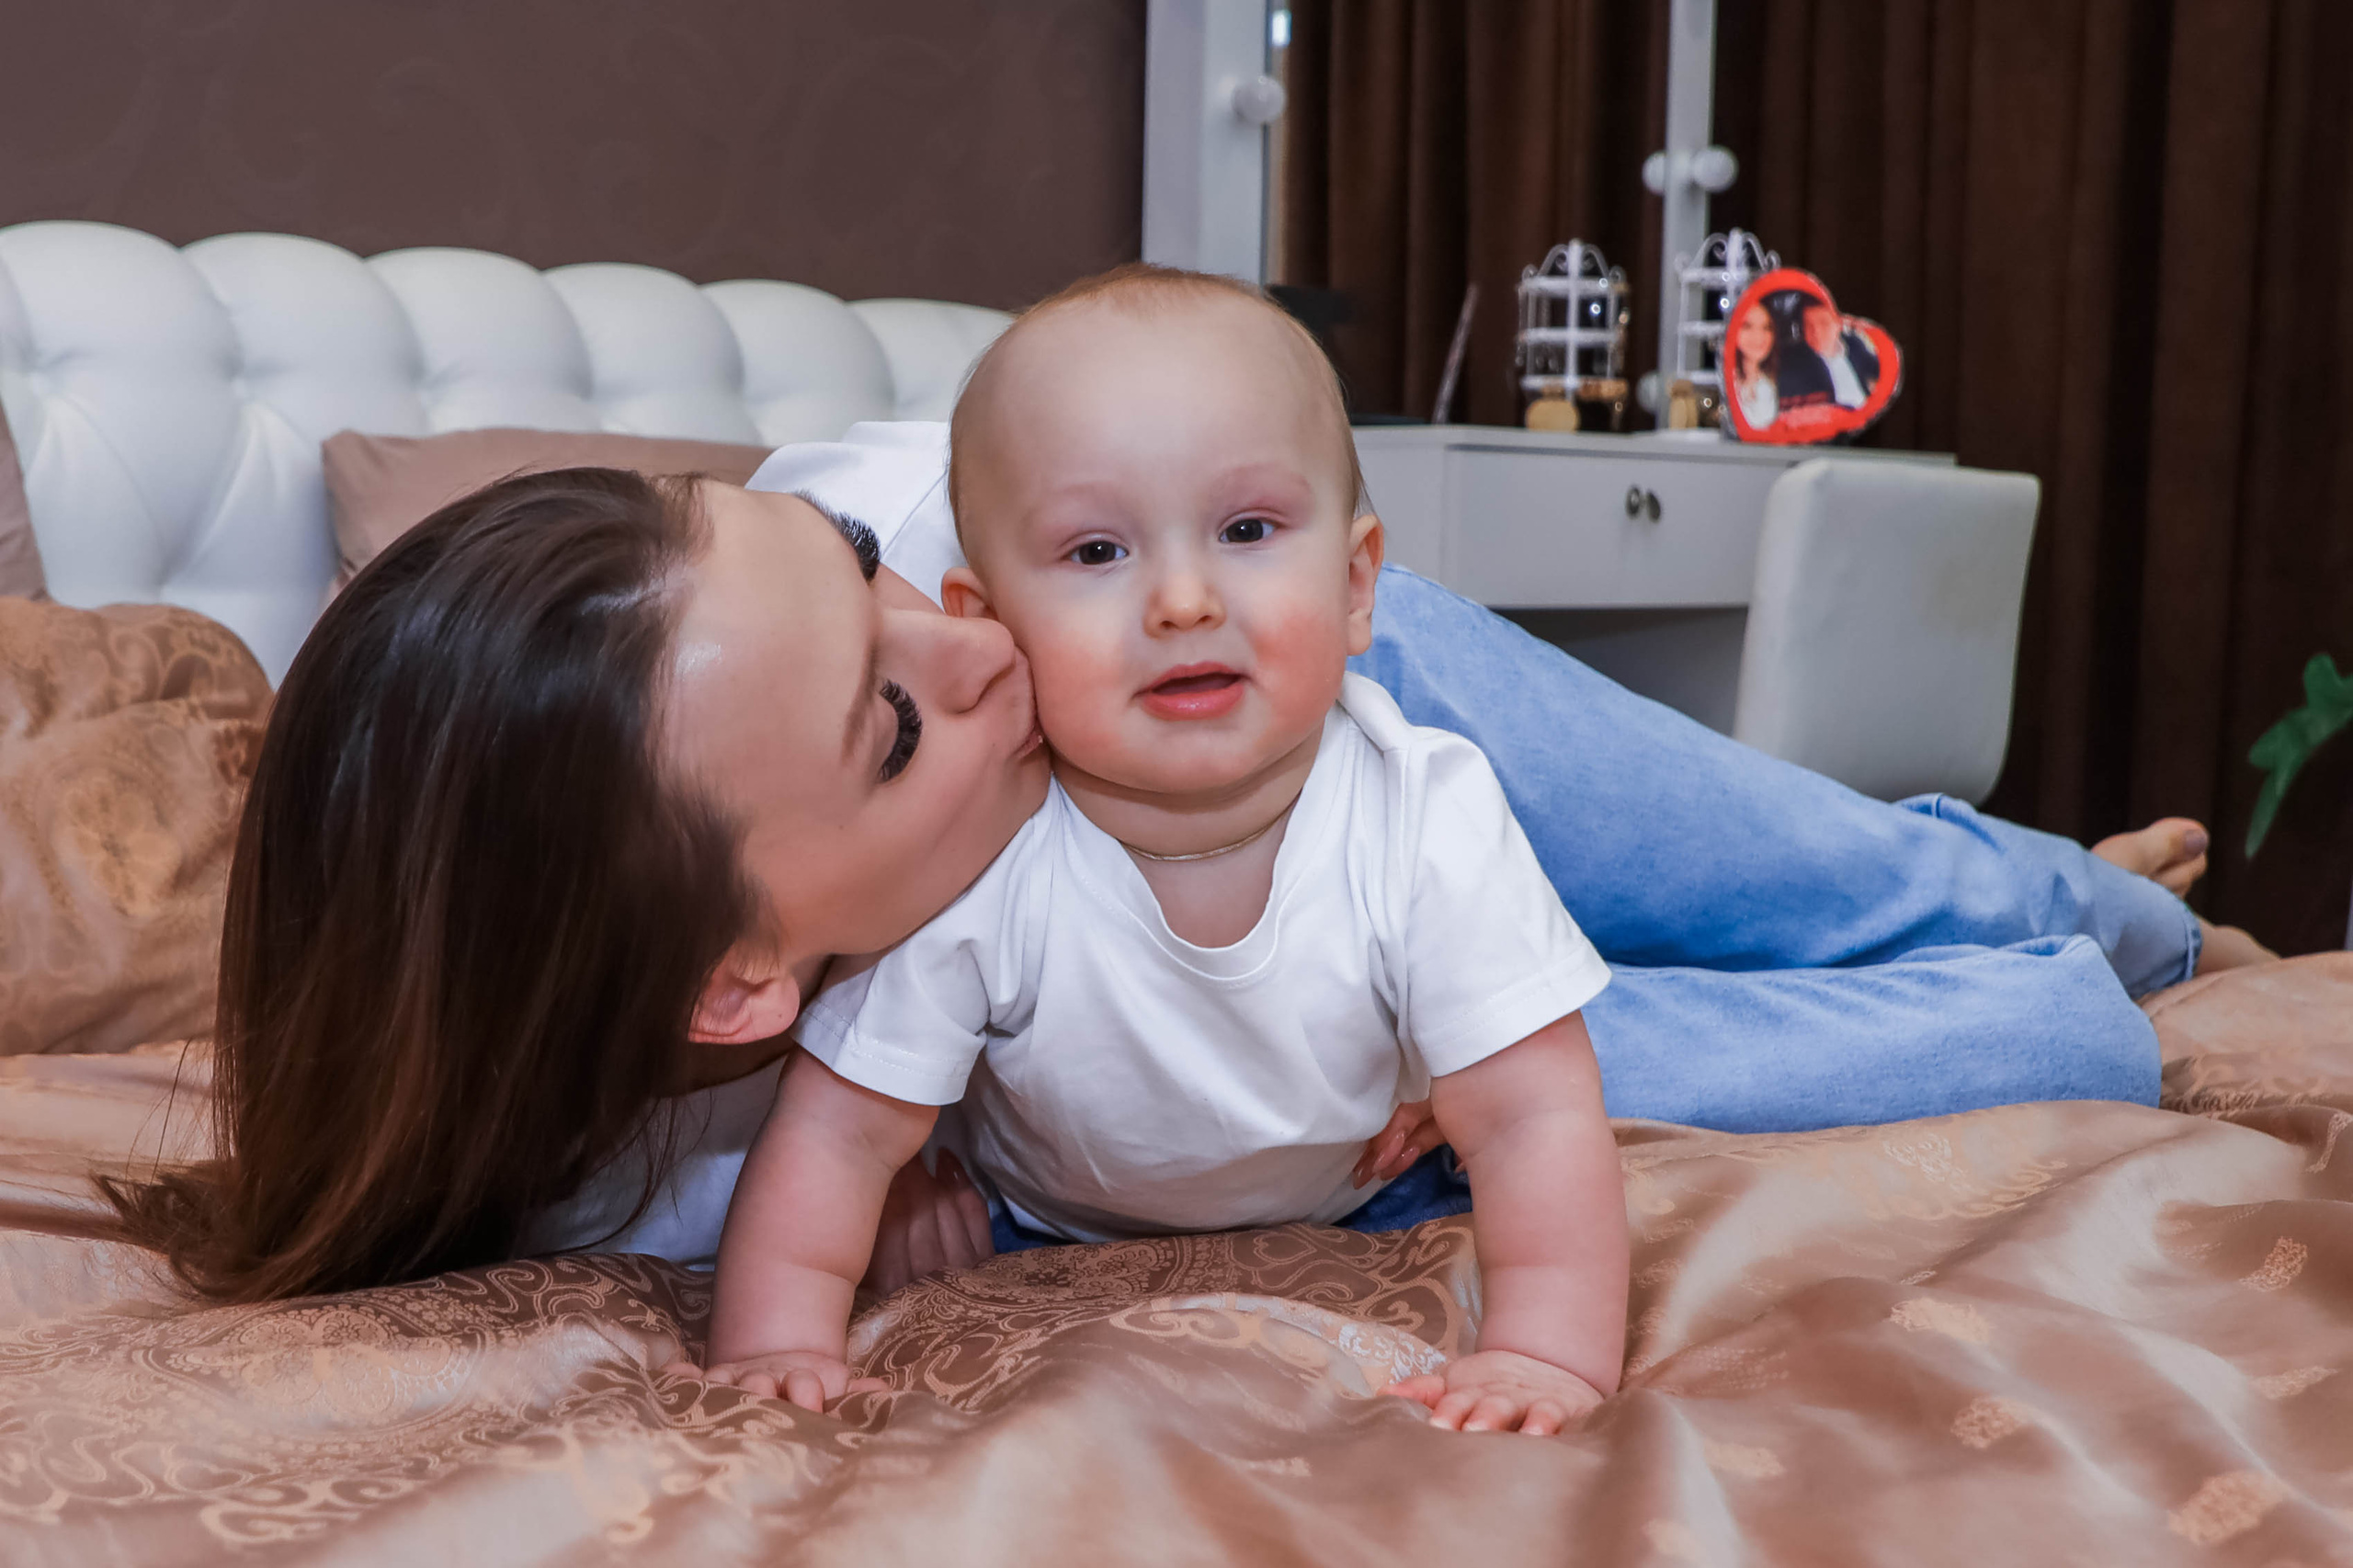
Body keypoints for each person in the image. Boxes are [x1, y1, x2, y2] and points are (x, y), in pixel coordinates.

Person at [102, 288, 2263, 1313]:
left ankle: (2063, 867)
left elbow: (1058, 534)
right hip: (1268, 1050)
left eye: (871, 589)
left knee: (1808, 858)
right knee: (2044, 1033)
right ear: (738, 979)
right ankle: (2071, 945)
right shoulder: (607, 1170)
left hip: (1293, 719)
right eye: (887, 726)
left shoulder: (1007, 610)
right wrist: (917, 1128)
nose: (987, 661)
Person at [691, 267, 1630, 1436]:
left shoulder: (1421, 807)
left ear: (1352, 585)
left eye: (1246, 531)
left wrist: (1545, 1352)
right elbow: (836, 1131)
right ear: (987, 620)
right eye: (1096, 553)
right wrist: (778, 1340)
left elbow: (1534, 1115)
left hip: (1369, 1190)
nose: (1184, 598)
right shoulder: (986, 855)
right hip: (1046, 1220)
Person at [1776, 296, 1880, 410]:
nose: (1816, 332)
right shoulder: (1794, 362)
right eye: (1808, 325)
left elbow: (1878, 367)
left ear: (1838, 324)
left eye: (1824, 323)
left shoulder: (1853, 343)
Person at [1728, 300, 1780, 430]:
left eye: (1766, 327)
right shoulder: (1728, 381)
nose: (1759, 337)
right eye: (1747, 326)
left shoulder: (1773, 383)